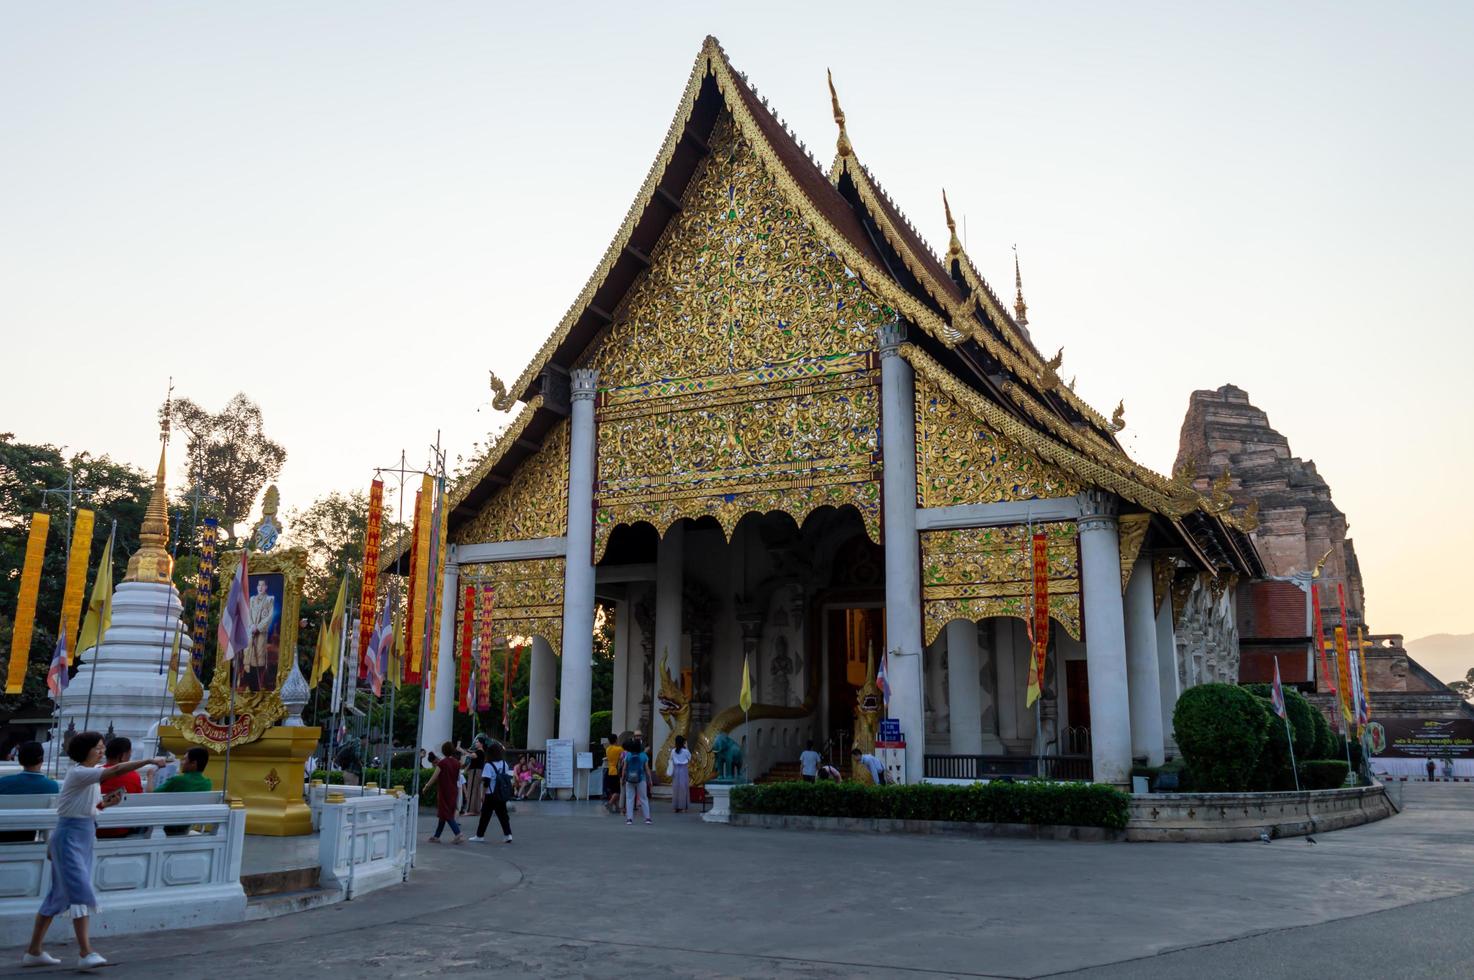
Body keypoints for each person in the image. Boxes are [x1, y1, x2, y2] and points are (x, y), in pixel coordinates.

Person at [23, 732, 165, 970]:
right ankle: (85, 951)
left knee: (58, 896)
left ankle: (34, 951)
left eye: (102, 747)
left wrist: (105, 804)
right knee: (80, 890)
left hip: (82, 835)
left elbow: (86, 807)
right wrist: (148, 761)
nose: (101, 751)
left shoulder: (88, 777)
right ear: (84, 751)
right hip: (69, 838)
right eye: (97, 748)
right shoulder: (79, 773)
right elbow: (116, 770)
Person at [0, 742, 59, 843]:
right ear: (41, 759)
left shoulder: (3, 782)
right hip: (29, 836)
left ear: (20, 760)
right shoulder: (52, 786)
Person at [156, 747, 214, 836]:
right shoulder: (207, 783)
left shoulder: (178, 780)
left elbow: (151, 795)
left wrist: (150, 775)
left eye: (185, 759)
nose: (182, 762)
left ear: (194, 763)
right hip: (186, 826)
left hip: (166, 826)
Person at [98, 737, 143, 839]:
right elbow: (138, 800)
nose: (130, 756)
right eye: (129, 753)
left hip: (94, 828)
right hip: (120, 829)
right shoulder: (133, 776)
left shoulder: (94, 773)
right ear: (122, 756)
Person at [421, 741, 466, 844]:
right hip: (453, 790)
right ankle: (437, 836)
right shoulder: (456, 763)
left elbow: (434, 776)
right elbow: (458, 777)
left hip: (444, 791)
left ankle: (458, 834)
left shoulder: (442, 763)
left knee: (446, 813)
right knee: (444, 813)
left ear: (443, 751)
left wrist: (426, 786)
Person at [471, 743, 513, 843]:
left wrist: (483, 795)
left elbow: (486, 782)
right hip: (501, 794)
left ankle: (479, 835)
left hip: (490, 794)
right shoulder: (504, 764)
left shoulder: (488, 765)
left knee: (485, 816)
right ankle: (508, 834)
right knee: (503, 815)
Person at [244, 577, 275, 691]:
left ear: (266, 587)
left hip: (261, 633)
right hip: (250, 631)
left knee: (259, 656)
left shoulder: (269, 600)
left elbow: (269, 616)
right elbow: (248, 614)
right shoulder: (252, 599)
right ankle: (248, 682)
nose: (260, 588)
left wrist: (259, 627)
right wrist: (252, 625)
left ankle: (259, 684)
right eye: (259, 585)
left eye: (262, 585)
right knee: (249, 654)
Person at [621, 737, 652, 826]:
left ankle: (629, 819)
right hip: (641, 779)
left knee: (630, 798)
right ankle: (647, 818)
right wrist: (649, 779)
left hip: (629, 780)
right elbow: (647, 769)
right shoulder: (643, 755)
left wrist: (623, 778)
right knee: (643, 798)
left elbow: (624, 768)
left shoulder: (628, 755)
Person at [669, 735, 691, 812]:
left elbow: (671, 759)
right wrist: (687, 747)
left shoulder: (673, 751)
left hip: (676, 770)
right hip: (683, 770)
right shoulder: (686, 751)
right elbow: (689, 758)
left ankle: (676, 807)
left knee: (676, 788)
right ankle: (683, 807)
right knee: (683, 788)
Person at [603, 734, 624, 814]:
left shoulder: (608, 749)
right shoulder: (619, 749)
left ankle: (617, 807)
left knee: (613, 790)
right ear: (616, 739)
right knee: (618, 791)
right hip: (616, 771)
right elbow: (623, 757)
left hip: (609, 770)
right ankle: (609, 803)